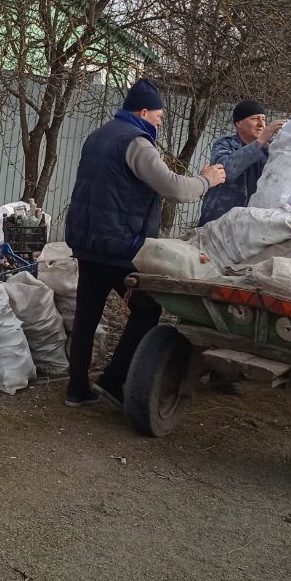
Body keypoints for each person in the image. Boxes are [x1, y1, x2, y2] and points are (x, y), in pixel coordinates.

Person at [62, 78, 226, 408]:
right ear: (142, 111)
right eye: (159, 116)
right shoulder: (136, 143)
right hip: (119, 245)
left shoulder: (99, 135)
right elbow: (174, 189)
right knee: (147, 309)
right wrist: (206, 180)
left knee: (87, 314)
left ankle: (77, 388)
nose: (160, 122)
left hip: (86, 240)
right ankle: (113, 381)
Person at [197, 100, 287, 227]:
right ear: (238, 123)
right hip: (217, 223)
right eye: (255, 119)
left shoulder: (270, 151)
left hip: (250, 225)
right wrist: (261, 141)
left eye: (263, 119)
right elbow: (226, 171)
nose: (262, 124)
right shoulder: (224, 144)